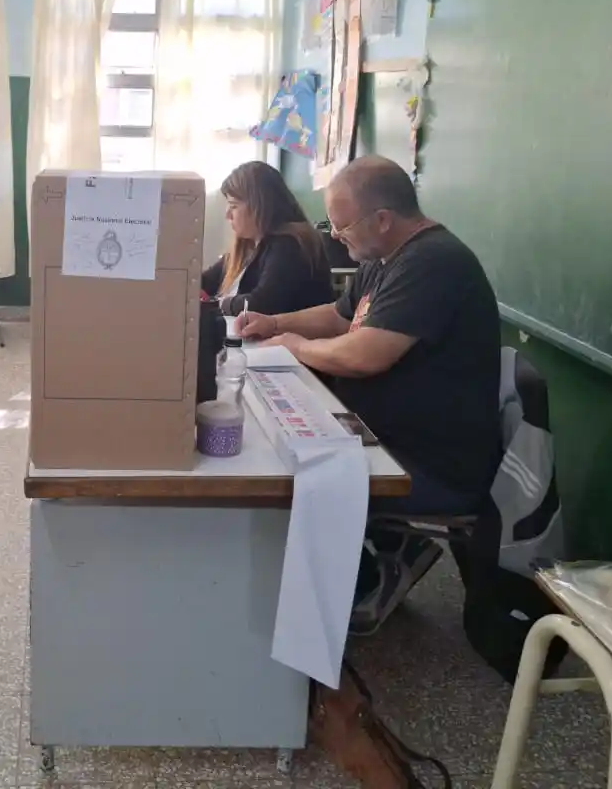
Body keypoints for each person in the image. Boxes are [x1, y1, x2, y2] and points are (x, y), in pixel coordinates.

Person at [237, 156, 501, 633]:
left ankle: (354, 589)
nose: (335, 238)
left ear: (382, 219)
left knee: (290, 479)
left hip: (423, 464)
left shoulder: (433, 262)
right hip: (385, 439)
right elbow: (341, 317)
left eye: (342, 227)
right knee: (278, 443)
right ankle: (382, 561)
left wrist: (296, 347)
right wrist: (276, 323)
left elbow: (365, 355)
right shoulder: (385, 257)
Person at [201, 160, 334, 317]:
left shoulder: (289, 245)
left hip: (291, 340)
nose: (227, 215)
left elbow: (262, 304)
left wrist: (219, 303)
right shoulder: (248, 245)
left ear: (259, 205)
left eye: (234, 206)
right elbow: (203, 282)